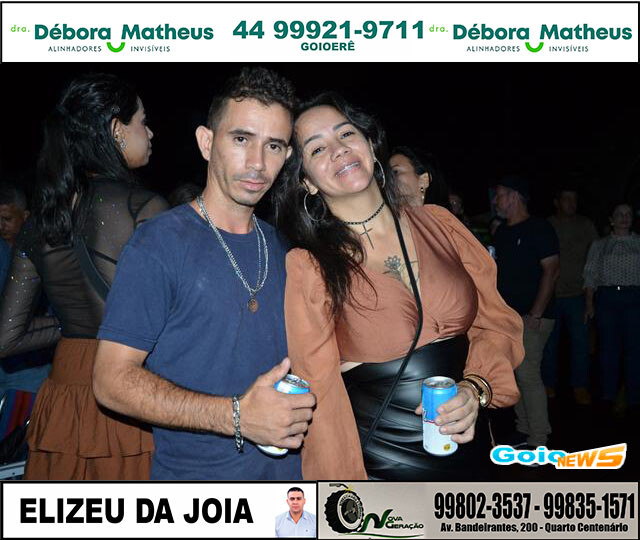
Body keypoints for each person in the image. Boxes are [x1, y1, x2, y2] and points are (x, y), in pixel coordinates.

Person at [273, 93, 523, 480]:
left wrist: (476, 388)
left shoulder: (440, 224)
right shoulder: (310, 266)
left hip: (472, 454)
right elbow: (321, 394)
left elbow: (495, 323)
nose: (339, 150)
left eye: (346, 134)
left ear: (370, 146)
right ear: (307, 181)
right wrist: (344, 494)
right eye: (318, 148)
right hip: (383, 467)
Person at [92, 67, 316, 480]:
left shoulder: (285, 248)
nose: (257, 163)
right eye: (241, 139)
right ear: (207, 142)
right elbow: (111, 381)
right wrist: (236, 416)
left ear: (286, 156)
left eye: (273, 146)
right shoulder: (158, 244)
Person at [0, 73, 168, 479]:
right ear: (116, 128)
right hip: (134, 388)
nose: (150, 132)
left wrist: (71, 324)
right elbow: (172, 320)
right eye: (143, 121)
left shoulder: (38, 222)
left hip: (64, 396)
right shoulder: (144, 208)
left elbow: (6, 337)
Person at [493, 175, 560, 449]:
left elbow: (551, 270)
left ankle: (539, 437)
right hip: (509, 317)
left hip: (533, 318)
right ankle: (523, 429)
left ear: (514, 196)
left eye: (499, 195)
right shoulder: (501, 232)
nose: (495, 201)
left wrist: (536, 313)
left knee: (528, 374)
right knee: (516, 374)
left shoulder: (539, 228)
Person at [0, 183, 53, 442]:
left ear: (26, 216)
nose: (1, 226)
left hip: (28, 372)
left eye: (7, 218)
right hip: (5, 368)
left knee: (12, 447)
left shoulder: (41, 252)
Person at [542, 187, 598, 404]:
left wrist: (591, 293)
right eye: (566, 199)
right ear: (557, 202)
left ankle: (580, 386)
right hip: (551, 295)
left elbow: (595, 256)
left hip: (578, 294)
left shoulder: (586, 225)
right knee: (549, 344)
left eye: (574, 200)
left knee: (580, 343)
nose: (571, 203)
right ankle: (548, 383)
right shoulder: (547, 225)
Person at [583, 202, 640, 413]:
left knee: (634, 350)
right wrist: (589, 303)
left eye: (628, 214)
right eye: (619, 214)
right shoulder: (600, 244)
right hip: (607, 299)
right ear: (611, 219)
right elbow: (590, 274)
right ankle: (608, 394)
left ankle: (634, 397)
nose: (624, 217)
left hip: (634, 299)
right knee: (608, 349)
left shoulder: (639, 243)